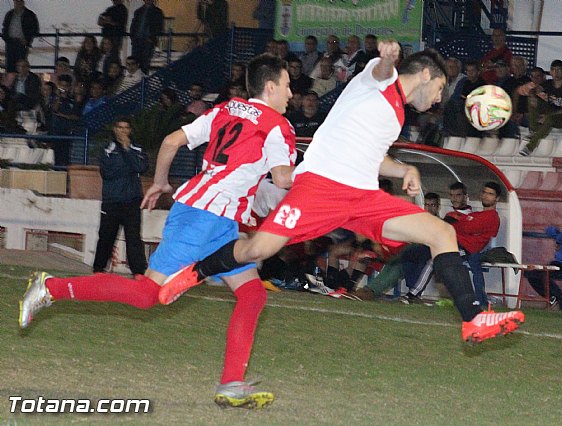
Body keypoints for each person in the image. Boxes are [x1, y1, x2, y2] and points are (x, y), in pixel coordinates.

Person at [160, 42, 525, 344]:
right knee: (259, 249)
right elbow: (381, 72)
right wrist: (386, 58)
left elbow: (369, 154)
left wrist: (404, 169)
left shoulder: (397, 114)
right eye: (441, 89)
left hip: (363, 196)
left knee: (442, 232)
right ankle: (197, 270)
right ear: (426, 75)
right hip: (320, 187)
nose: (437, 100)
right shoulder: (377, 81)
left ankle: (475, 318)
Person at [19, 53, 297, 410]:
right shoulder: (277, 126)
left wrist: (162, 182)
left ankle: (231, 383)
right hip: (205, 218)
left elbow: (170, 142)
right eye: (288, 86)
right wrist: (321, 171)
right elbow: (284, 179)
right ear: (271, 87)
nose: (290, 94)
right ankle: (51, 287)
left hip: (216, 219)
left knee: (253, 295)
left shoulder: (228, 109)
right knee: (146, 294)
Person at [92, 117, 149, 276]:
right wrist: (130, 167)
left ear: (130, 130)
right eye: (120, 127)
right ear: (115, 129)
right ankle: (99, 270)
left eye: (126, 128)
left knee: (134, 239)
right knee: (106, 237)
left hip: (132, 201)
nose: (123, 131)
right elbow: (107, 173)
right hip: (112, 201)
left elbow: (142, 167)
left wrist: (127, 150)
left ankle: (138, 272)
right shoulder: (107, 149)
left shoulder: (136, 149)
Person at [444, 182, 501, 309]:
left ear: (497, 199)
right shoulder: (477, 215)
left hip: (473, 250)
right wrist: (461, 225)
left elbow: (467, 227)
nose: (486, 196)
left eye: (490, 194)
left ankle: (480, 301)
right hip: (465, 247)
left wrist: (460, 224)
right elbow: (462, 226)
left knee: (442, 259)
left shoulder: (492, 216)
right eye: (485, 193)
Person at [523, 213, 562, 311]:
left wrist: (559, 237)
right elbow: (549, 229)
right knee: (531, 274)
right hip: (557, 263)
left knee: (544, 274)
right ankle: (552, 297)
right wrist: (558, 233)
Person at [519, 60, 562, 157]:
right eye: (554, 70)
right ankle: (534, 130)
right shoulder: (549, 83)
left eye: (559, 70)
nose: (556, 73)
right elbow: (534, 90)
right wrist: (532, 96)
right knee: (532, 100)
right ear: (550, 72)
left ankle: (530, 147)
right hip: (552, 110)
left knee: (550, 119)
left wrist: (548, 115)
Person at [1, 0, 39, 73]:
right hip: (10, 43)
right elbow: (5, 28)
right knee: (10, 66)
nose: (18, 3)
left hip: (21, 44)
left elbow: (35, 30)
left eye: (19, 1)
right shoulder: (9, 14)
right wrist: (6, 39)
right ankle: (11, 82)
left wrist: (27, 40)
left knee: (21, 66)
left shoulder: (29, 14)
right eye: (16, 2)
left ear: (23, 2)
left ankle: (20, 81)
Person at [130, 0, 164, 74]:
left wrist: (152, 38)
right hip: (137, 40)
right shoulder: (138, 11)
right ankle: (134, 81)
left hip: (148, 41)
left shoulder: (157, 12)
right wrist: (133, 38)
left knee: (145, 63)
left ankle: (143, 82)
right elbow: (133, 25)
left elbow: (159, 26)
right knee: (134, 62)